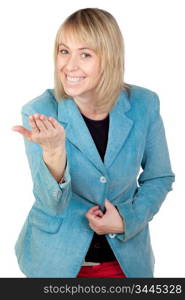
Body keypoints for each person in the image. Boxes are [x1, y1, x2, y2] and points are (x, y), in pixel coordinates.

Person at [12, 8, 175, 278]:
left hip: (125, 261)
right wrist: (54, 152)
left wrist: (125, 220)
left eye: (85, 54)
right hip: (55, 264)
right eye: (64, 51)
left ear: (109, 59)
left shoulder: (144, 104)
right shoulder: (40, 111)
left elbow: (159, 177)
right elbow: (50, 204)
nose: (69, 66)